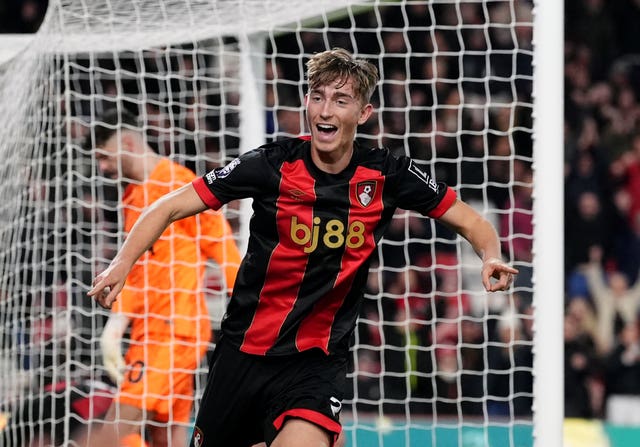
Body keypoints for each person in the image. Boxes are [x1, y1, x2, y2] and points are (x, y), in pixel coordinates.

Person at [89, 48, 518, 447]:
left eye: (341, 100)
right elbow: (168, 206)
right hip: (243, 354)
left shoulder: (387, 174)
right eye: (318, 97)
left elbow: (471, 219)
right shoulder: (271, 164)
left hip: (315, 361)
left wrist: (492, 254)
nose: (326, 110)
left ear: (364, 113)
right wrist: (121, 264)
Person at [87, 108, 241, 447]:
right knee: (163, 439)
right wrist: (117, 323)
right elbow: (140, 273)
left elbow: (222, 247)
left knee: (109, 437)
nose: (102, 168)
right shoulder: (132, 197)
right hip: (150, 332)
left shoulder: (177, 185)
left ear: (126, 143)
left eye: (104, 157)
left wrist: (251, 305)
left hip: (173, 331)